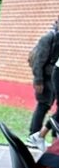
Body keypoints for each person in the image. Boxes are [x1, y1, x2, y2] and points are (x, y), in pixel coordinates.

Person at [27, 16, 59, 147]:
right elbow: (38, 61)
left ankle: (53, 138)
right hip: (46, 78)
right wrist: (38, 80)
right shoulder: (48, 38)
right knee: (43, 106)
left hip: (52, 77)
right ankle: (33, 135)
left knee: (55, 108)